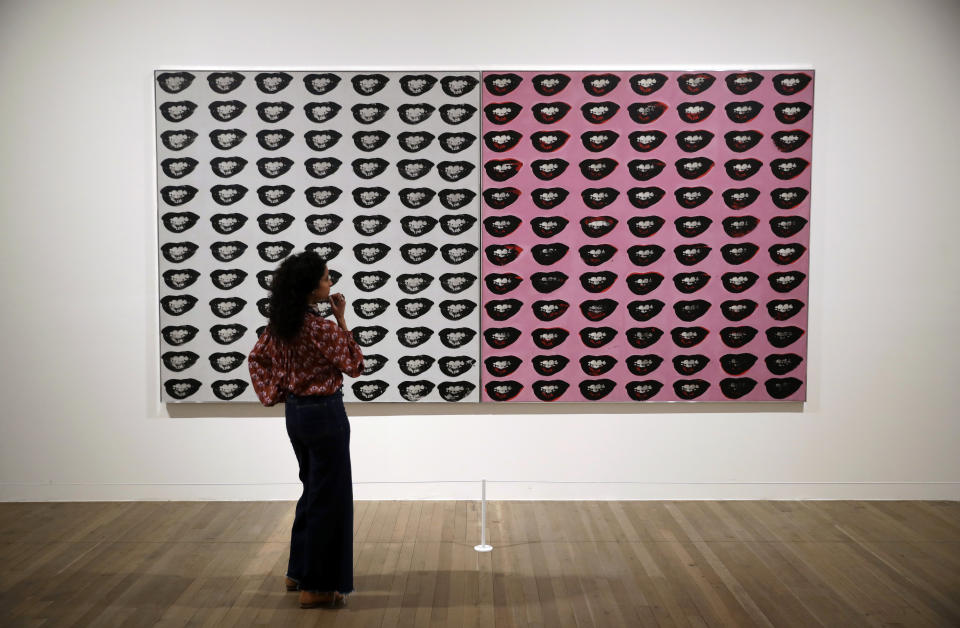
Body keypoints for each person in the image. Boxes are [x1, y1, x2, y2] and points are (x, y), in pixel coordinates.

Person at [248, 251, 365, 609]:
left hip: (297, 416)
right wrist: (343, 321)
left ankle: (298, 571)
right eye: (326, 277)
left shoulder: (281, 324)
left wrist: (275, 393)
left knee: (312, 490)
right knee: (329, 499)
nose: (331, 282)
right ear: (311, 286)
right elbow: (356, 364)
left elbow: (257, 358)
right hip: (325, 415)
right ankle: (315, 587)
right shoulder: (320, 328)